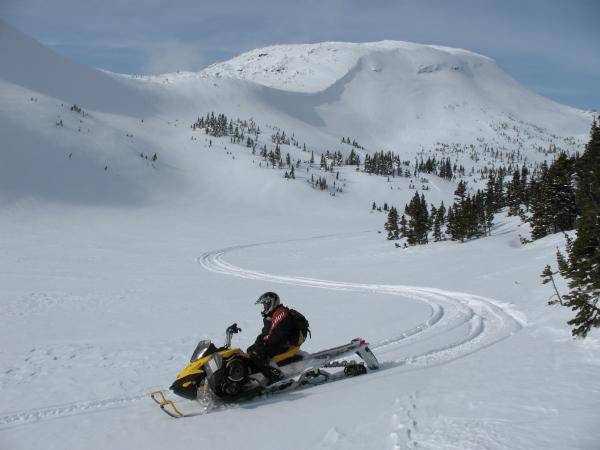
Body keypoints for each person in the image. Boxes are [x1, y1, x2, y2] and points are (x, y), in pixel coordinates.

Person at [247, 292, 308, 384]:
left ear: (272, 303)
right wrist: (260, 341)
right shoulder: (272, 315)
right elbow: (266, 334)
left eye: (266, 304)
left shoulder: (281, 314)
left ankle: (275, 377)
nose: (264, 307)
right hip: (277, 343)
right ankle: (257, 376)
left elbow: (280, 335)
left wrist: (264, 343)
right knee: (251, 350)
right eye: (264, 305)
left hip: (284, 344)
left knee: (256, 353)